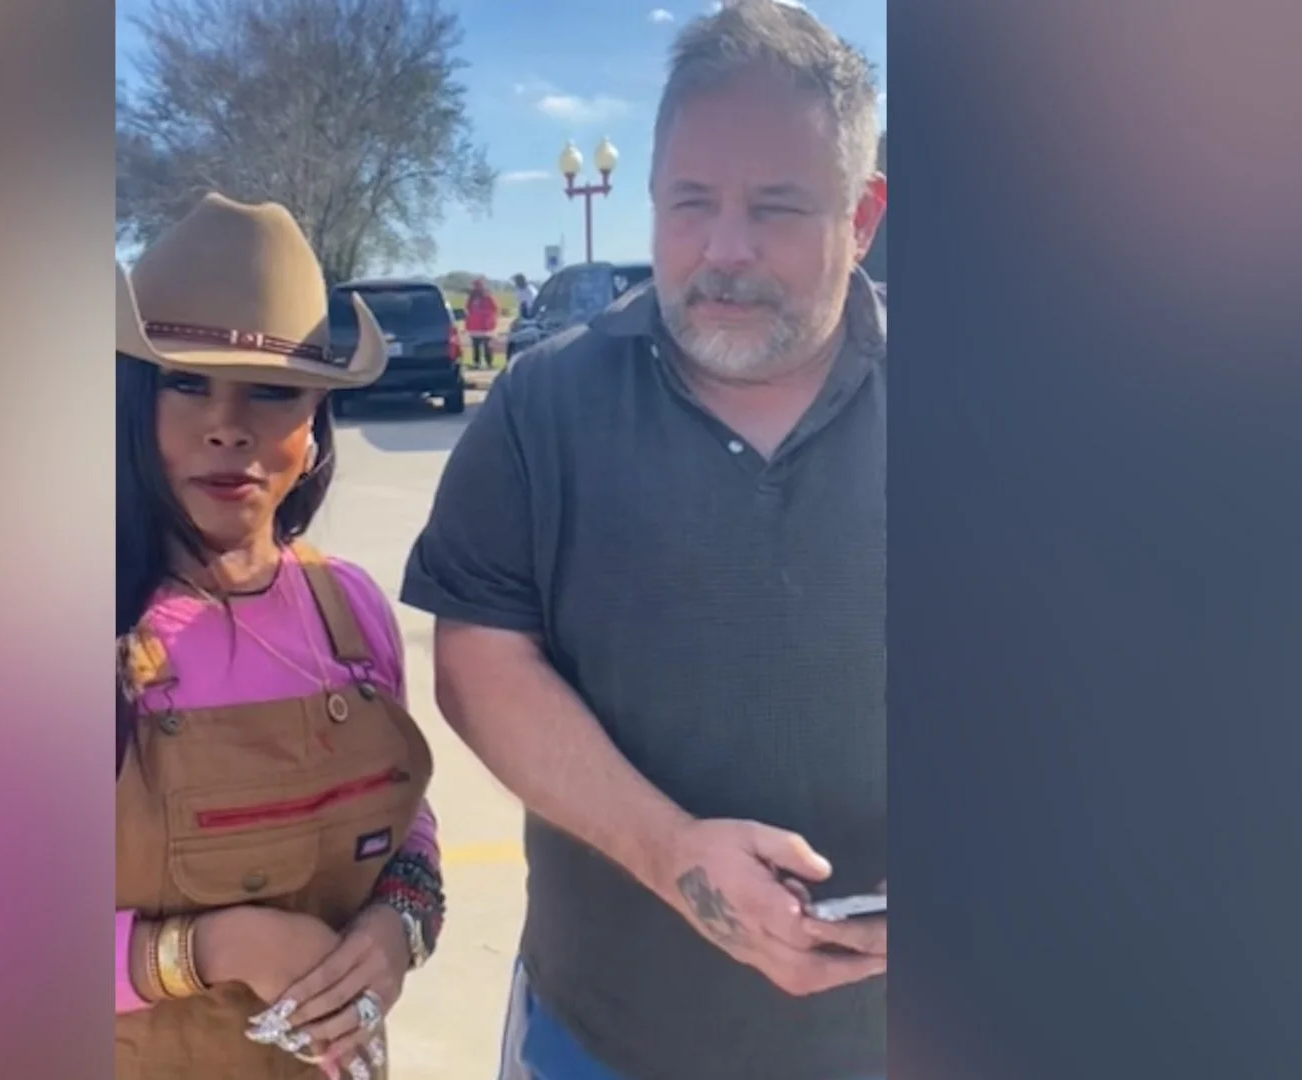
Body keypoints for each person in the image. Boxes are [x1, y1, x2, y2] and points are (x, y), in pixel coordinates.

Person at [399, 2, 888, 1078]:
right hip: (601, 1037)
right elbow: (480, 663)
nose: (725, 249)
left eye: (776, 207)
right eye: (690, 202)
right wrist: (671, 853)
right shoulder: (544, 406)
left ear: (862, 216)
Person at [115, 193, 445, 1080]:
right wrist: (213, 948)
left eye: (272, 390)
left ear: (316, 419)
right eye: (186, 382)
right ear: (130, 398)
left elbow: (407, 823)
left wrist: (397, 928)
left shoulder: (350, 610)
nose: (229, 425)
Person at [464, 277, 499, 369]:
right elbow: (467, 310)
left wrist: (485, 315)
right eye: (475, 286)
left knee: (487, 346)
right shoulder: (471, 298)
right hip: (474, 326)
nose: (476, 288)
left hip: (485, 326)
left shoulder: (488, 297)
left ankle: (489, 363)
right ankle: (477, 363)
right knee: (476, 346)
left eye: (478, 286)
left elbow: (494, 309)